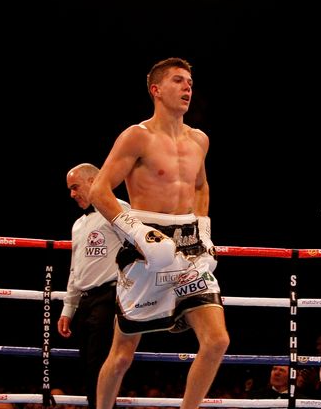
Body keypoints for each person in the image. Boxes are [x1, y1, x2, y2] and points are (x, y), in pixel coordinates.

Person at [89, 57, 229, 409]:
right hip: (144, 244)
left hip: (189, 245)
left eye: (190, 83)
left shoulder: (200, 140)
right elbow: (99, 191)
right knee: (121, 356)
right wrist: (139, 233)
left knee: (216, 342)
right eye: (179, 81)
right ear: (156, 89)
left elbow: (201, 186)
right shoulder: (137, 136)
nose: (187, 88)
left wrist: (204, 229)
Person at [58, 163, 129, 409]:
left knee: (100, 366)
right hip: (86, 302)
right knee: (88, 367)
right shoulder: (78, 224)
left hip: (110, 296)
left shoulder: (119, 209)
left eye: (75, 187)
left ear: (92, 181)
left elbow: (138, 251)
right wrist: (69, 308)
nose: (72, 194)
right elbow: (75, 268)